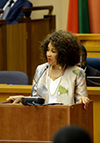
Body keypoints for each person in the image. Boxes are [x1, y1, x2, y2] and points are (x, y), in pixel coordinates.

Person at [7, 30, 90, 107]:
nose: (48, 54)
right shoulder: (41, 69)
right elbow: (35, 99)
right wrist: (22, 99)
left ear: (63, 53)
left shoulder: (76, 72)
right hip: (42, 117)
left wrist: (83, 99)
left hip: (66, 118)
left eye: (53, 51)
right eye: (48, 50)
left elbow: (81, 102)